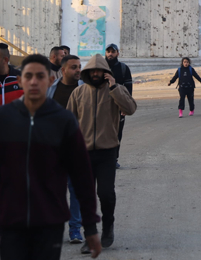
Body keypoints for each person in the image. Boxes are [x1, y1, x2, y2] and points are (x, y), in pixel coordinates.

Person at [0, 54, 102, 259]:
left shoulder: (64, 121)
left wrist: (90, 226)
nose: (34, 82)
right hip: (10, 219)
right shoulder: (3, 118)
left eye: (40, 76)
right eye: (28, 76)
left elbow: (82, 176)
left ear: (51, 80)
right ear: (20, 81)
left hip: (50, 221)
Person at [67, 54, 136, 253]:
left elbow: (130, 108)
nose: (96, 73)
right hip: (83, 154)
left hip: (107, 152)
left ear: (106, 72)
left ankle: (108, 227)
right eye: (93, 70)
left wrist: (114, 87)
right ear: (88, 73)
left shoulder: (116, 90)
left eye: (100, 70)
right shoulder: (78, 93)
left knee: (105, 194)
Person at [46, 55, 85, 244]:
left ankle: (75, 229)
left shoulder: (85, 89)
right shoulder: (51, 90)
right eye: (74, 67)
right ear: (63, 70)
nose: (78, 70)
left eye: (79, 67)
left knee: (76, 190)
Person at [105, 44, 133, 169]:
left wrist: (125, 106)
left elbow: (128, 89)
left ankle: (113, 159)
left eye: (113, 51)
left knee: (117, 133)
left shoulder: (123, 68)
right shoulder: (100, 67)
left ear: (117, 53)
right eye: (108, 51)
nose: (110, 54)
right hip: (102, 106)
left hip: (117, 106)